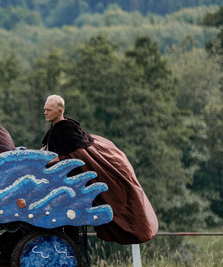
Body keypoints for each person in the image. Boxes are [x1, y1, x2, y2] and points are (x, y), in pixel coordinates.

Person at [42, 94, 158, 244]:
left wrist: (44, 161)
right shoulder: (58, 127)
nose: (45, 112)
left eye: (49, 110)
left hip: (73, 188)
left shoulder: (65, 130)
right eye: (45, 109)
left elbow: (70, 156)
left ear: (59, 111)